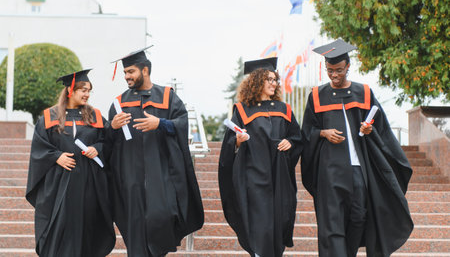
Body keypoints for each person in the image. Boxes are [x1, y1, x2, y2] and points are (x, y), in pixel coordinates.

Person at [301, 39, 414, 257]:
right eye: (330, 70)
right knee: (332, 225)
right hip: (330, 170)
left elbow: (380, 127)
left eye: (339, 70)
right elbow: (306, 132)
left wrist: (369, 129)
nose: (334, 75)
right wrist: (322, 133)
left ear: (348, 67)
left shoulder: (363, 92)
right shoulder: (317, 96)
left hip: (358, 169)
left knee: (359, 217)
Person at [106, 47, 204, 256]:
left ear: (145, 70)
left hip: (161, 177)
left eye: (131, 71)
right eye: (124, 73)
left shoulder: (167, 97)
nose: (127, 77)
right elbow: (107, 142)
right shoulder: (119, 103)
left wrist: (159, 123)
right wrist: (111, 127)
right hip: (130, 181)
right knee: (136, 234)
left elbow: (181, 124)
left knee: (160, 223)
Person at [26, 69, 116, 257]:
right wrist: (56, 156)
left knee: (87, 229)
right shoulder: (49, 117)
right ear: (70, 90)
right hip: (58, 187)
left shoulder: (96, 117)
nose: (87, 94)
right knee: (60, 233)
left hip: (88, 186)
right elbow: (39, 149)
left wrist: (97, 148)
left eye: (89, 90)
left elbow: (109, 141)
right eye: (83, 90)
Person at [218, 57, 303, 257]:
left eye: (275, 80)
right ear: (257, 81)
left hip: (279, 176)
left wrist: (290, 142)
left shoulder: (285, 110)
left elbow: (297, 137)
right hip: (254, 177)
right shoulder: (242, 110)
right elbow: (228, 145)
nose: (274, 83)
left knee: (279, 221)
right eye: (269, 80)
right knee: (261, 225)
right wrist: (237, 141)